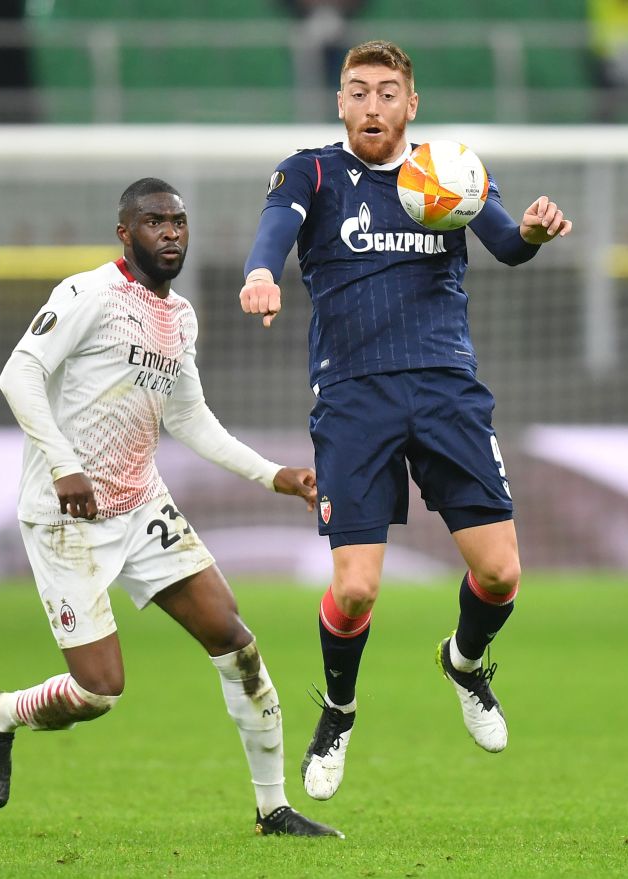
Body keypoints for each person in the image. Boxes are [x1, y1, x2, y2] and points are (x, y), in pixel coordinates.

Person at [238, 40, 572, 801]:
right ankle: (339, 713)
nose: (373, 106)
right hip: (355, 397)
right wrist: (261, 273)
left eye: (388, 92)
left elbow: (505, 246)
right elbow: (274, 231)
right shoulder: (311, 171)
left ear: (411, 104)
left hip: (447, 388)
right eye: (358, 92)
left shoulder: (447, 172)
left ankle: (463, 660)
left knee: (500, 572)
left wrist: (533, 231)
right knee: (354, 590)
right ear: (340, 104)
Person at [0, 177, 342, 838]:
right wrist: (65, 466)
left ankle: (272, 808)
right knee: (99, 691)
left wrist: (274, 475)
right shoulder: (88, 294)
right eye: (154, 222)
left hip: (141, 505)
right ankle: (0, 713)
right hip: (67, 518)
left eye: (178, 221)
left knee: (237, 642)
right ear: (125, 231)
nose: (170, 233)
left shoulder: (181, 316)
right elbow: (17, 374)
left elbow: (190, 419)